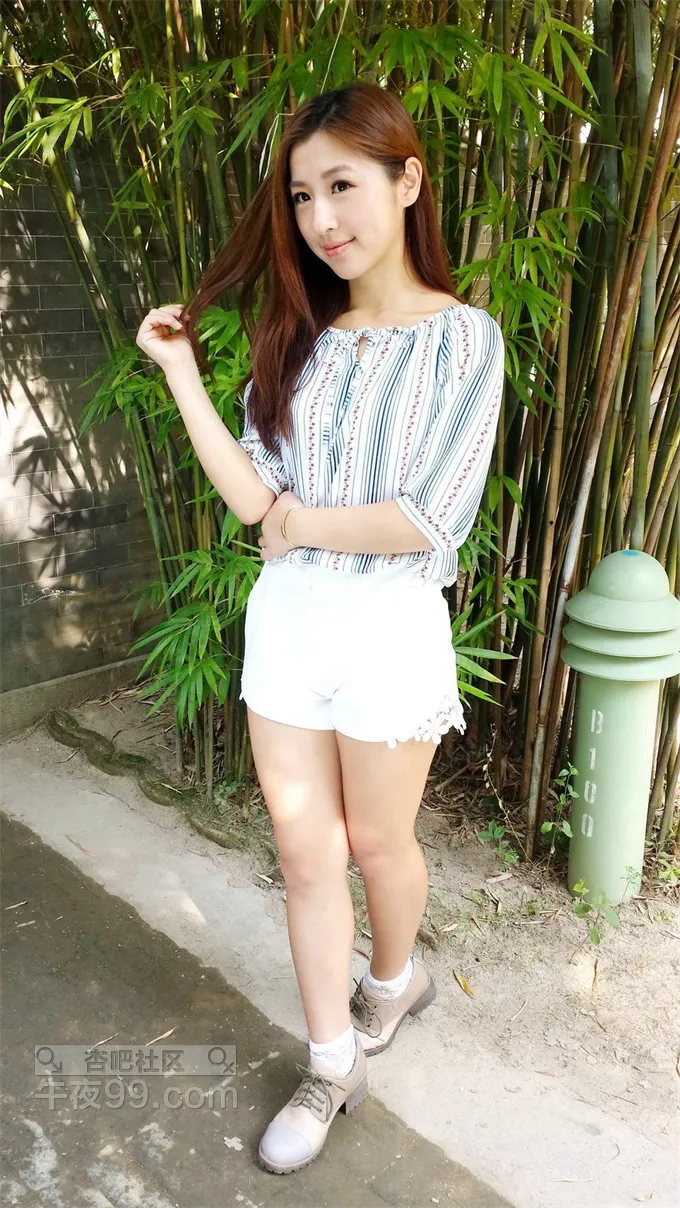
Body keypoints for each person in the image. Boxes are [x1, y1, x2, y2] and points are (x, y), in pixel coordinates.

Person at [135, 81, 505, 1177]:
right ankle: (331, 1061)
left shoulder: (464, 340)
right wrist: (181, 376)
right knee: (305, 853)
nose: (320, 218)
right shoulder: (300, 336)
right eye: (301, 197)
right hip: (289, 624)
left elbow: (427, 518)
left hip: (389, 628)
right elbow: (254, 498)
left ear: (407, 180)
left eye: (342, 185)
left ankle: (393, 979)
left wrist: (297, 523)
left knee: (379, 844)